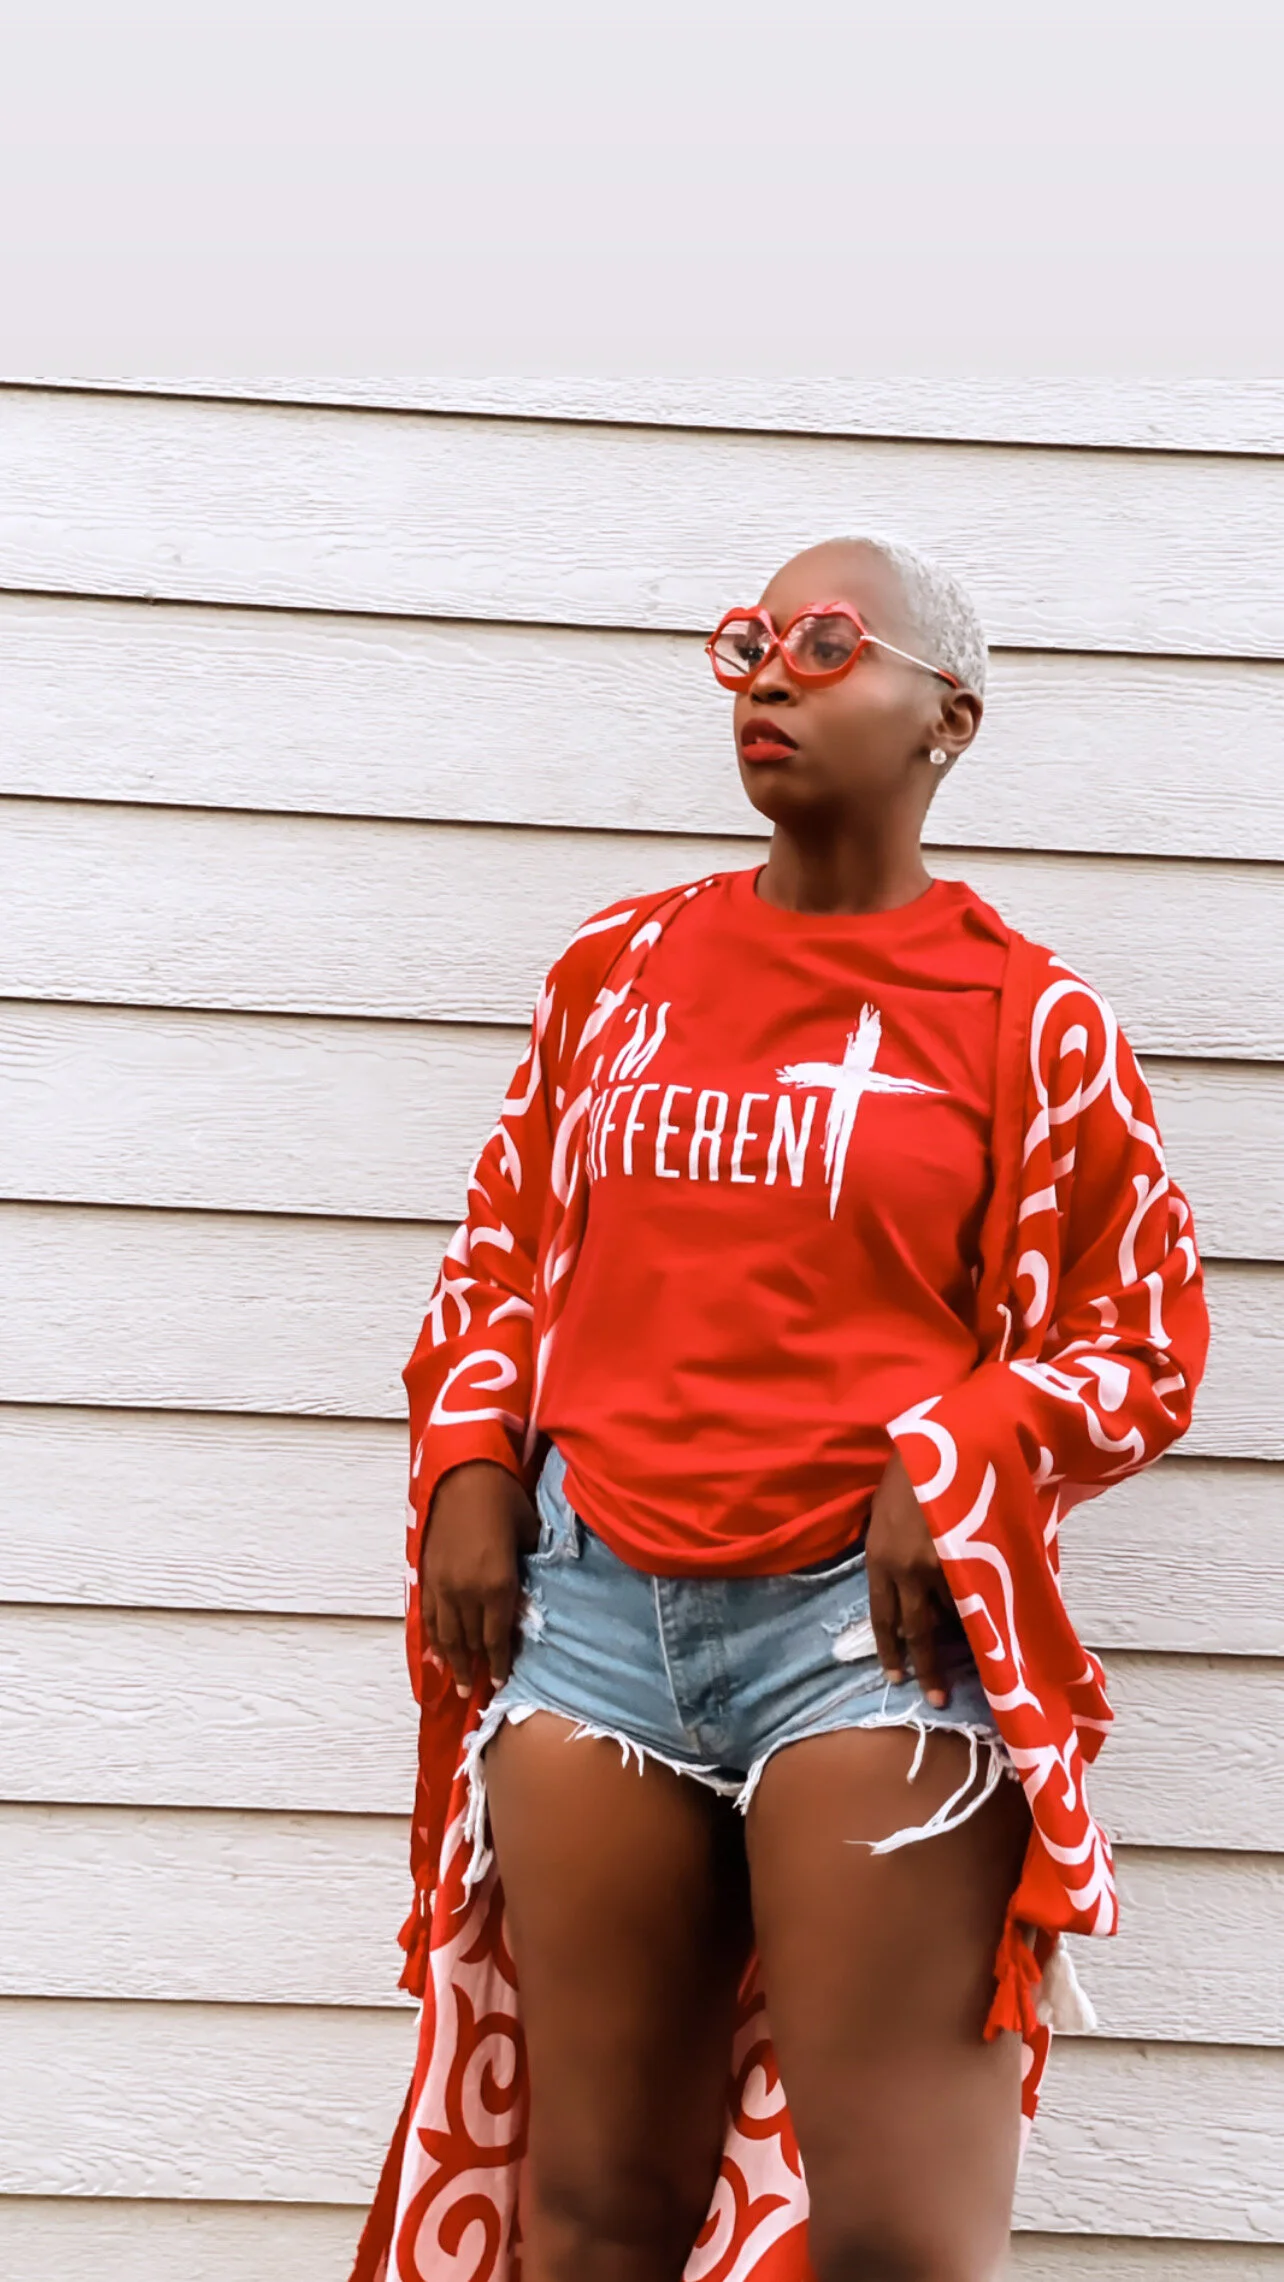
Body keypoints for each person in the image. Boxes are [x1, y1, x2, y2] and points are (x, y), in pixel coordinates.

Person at [351, 538, 1209, 2282]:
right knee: (594, 2214)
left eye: (825, 644)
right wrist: (467, 1460)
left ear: (949, 718)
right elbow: (501, 1247)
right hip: (591, 1622)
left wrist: (967, 1445)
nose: (765, 676)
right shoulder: (617, 971)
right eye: (746, 643)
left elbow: (1144, 1332)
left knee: (898, 2236)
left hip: (863, 1646)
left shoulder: (1029, 1019)